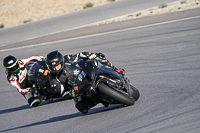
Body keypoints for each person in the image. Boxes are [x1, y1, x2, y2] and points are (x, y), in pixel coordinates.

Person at [45, 50, 125, 113]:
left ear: (61, 62)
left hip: (85, 73)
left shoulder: (68, 59)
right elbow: (61, 92)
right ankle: (99, 100)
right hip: (77, 88)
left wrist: (90, 55)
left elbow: (80, 55)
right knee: (81, 107)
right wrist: (70, 93)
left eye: (57, 65)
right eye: (52, 67)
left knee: (99, 56)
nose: (55, 69)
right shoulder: (53, 79)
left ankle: (116, 70)